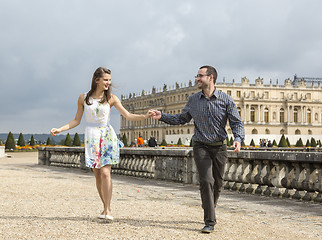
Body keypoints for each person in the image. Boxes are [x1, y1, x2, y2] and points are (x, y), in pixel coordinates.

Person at [151, 65, 245, 234]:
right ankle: (209, 221)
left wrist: (238, 139)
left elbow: (236, 122)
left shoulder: (226, 100)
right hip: (200, 145)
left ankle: (209, 205)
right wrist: (162, 116)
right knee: (206, 181)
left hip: (219, 147)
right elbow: (182, 118)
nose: (197, 79)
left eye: (200, 76)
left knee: (218, 184)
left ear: (211, 78)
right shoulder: (193, 100)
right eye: (197, 76)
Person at [50, 67, 152, 220]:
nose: (108, 83)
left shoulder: (111, 98)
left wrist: (144, 116)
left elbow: (128, 115)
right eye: (106, 80)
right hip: (91, 137)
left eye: (109, 80)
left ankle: (108, 209)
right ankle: (104, 207)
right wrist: (60, 129)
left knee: (105, 173)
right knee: (97, 175)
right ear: (96, 80)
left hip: (106, 136)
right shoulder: (83, 98)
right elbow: (76, 120)